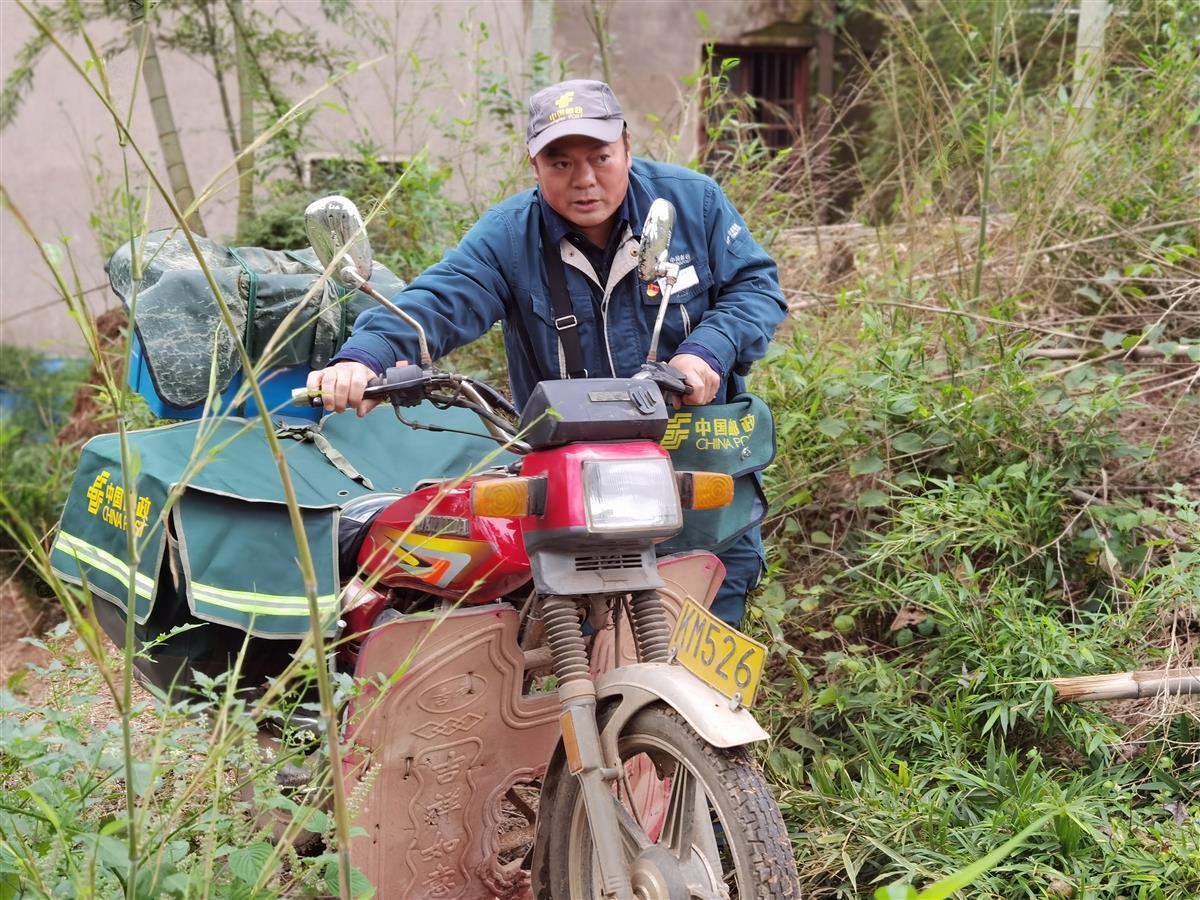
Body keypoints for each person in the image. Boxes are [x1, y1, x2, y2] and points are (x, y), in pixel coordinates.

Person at [307, 79, 787, 626]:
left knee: (710, 625)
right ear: (534, 166)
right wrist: (363, 357)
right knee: (582, 640)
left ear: (627, 147)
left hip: (693, 463)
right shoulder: (509, 237)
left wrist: (705, 353)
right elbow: (439, 299)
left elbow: (756, 289)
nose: (584, 180)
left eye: (600, 157)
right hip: (578, 481)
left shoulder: (690, 203)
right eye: (560, 163)